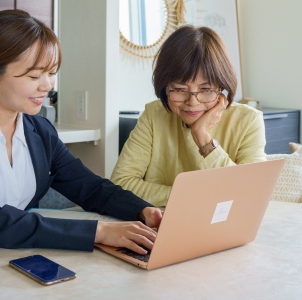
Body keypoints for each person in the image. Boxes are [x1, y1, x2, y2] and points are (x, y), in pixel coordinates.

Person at [0, 10, 161, 298]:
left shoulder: (40, 130)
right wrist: (100, 233)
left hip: (12, 266)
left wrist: (145, 212)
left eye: (51, 73)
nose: (47, 85)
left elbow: (91, 188)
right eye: (34, 75)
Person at [110, 25, 267, 207]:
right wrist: (194, 196)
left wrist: (203, 138)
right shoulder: (154, 115)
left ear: (222, 88)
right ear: (165, 88)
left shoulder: (248, 121)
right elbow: (121, 183)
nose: (193, 102)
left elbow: (251, 194)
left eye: (206, 90)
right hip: (163, 224)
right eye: (179, 89)